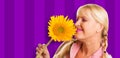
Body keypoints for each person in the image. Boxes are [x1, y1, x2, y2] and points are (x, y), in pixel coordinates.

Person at [36, 4, 112, 58]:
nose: (76, 24)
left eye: (84, 20)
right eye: (77, 19)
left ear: (99, 27)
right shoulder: (66, 46)